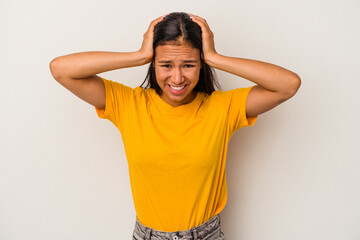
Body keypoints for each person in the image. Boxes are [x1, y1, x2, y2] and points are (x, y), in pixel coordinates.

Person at [50, 12, 301, 240]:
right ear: (153, 63)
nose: (178, 78)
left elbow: (288, 84)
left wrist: (214, 57)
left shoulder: (223, 108)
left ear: (201, 65)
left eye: (189, 65)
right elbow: (61, 69)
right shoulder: (128, 104)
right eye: (166, 64)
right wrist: (139, 55)